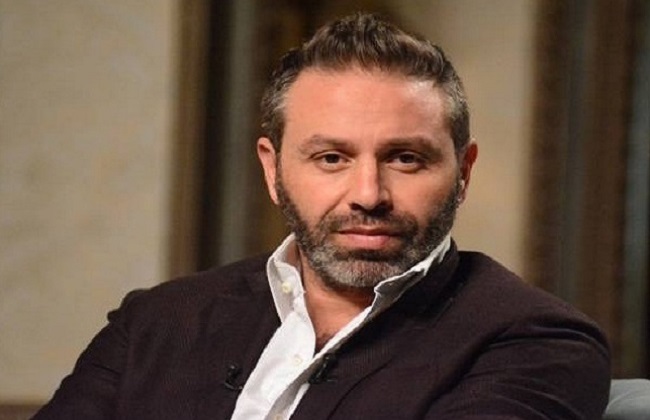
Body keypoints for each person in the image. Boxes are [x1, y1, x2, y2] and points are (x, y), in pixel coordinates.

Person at [35, 13, 611, 419]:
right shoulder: (156, 321)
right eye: (331, 158)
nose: (368, 194)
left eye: (405, 158)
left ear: (463, 171)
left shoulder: (539, 343)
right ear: (273, 169)